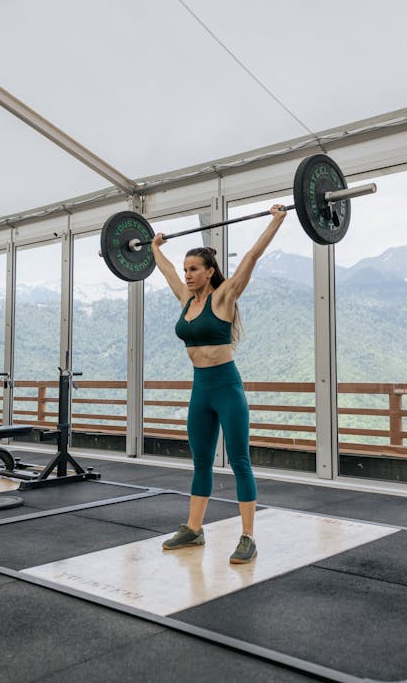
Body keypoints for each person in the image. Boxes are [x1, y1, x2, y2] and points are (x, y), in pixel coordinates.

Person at [152, 204, 287, 564]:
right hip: (200, 389)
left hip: (226, 387)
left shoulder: (224, 297)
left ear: (210, 272)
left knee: (240, 461)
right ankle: (194, 529)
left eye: (194, 269)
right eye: (186, 270)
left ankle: (247, 536)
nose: (188, 274)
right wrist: (154, 248)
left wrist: (277, 221)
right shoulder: (185, 299)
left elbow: (252, 256)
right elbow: (164, 271)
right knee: (200, 462)